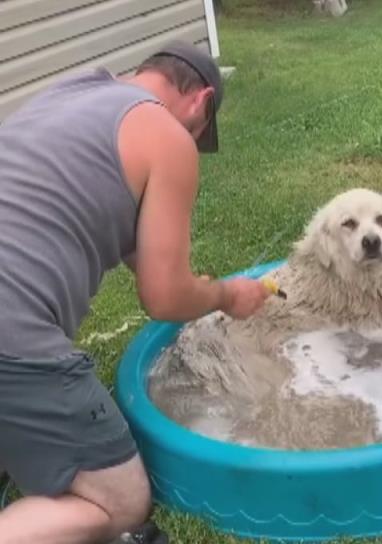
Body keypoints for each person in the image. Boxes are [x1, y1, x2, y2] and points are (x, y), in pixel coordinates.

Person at [0, 40, 270, 543]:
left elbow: (134, 247)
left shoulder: (73, 93)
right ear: (201, 102)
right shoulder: (167, 135)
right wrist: (227, 297)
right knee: (120, 504)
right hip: (10, 336)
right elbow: (164, 297)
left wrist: (194, 283)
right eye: (197, 132)